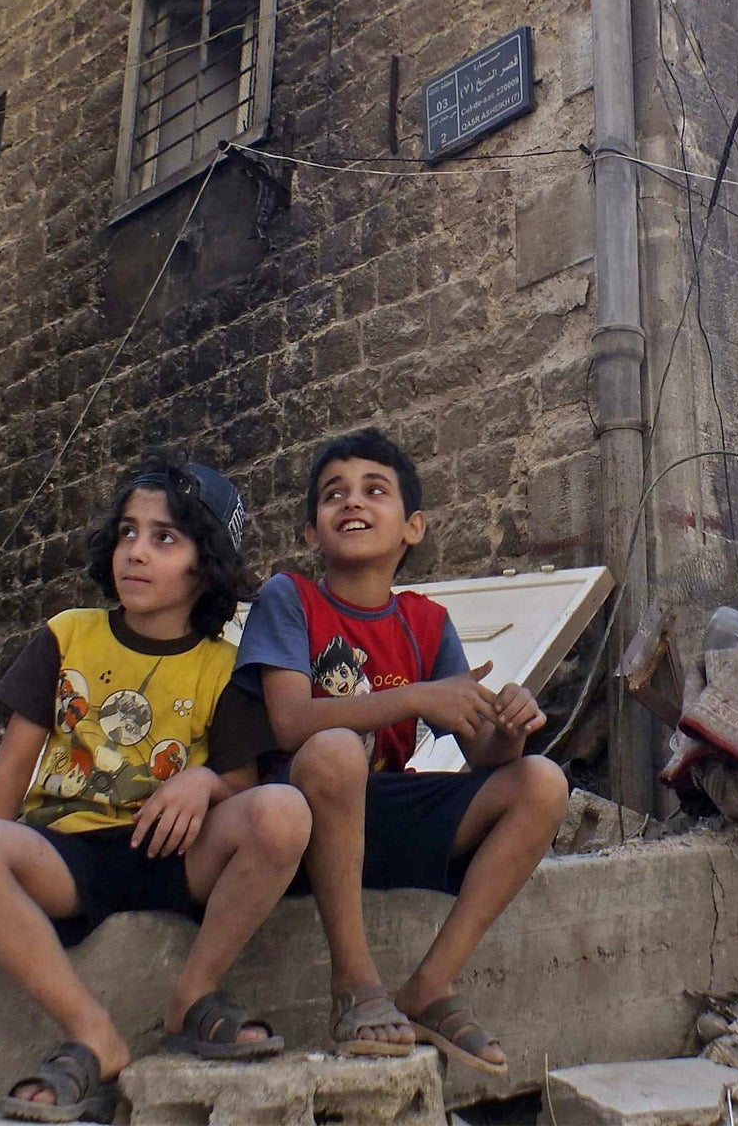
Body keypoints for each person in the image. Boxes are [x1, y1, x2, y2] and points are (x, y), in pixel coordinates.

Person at [0, 453, 309, 1123]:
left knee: (282, 811)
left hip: (174, 855)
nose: (136, 552)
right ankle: (93, 1037)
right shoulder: (68, 634)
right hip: (64, 855)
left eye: (165, 538)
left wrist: (202, 782)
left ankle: (193, 997)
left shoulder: (226, 666)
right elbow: (12, 767)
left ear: (206, 563)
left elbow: (242, 781)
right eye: (128, 532)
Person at [229, 428, 568, 1076]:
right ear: (310, 532)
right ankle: (356, 985)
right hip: (298, 825)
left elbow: (484, 759)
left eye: (373, 490)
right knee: (333, 751)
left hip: (386, 816)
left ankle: (430, 987)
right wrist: (415, 697)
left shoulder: (426, 623)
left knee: (542, 783)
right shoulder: (288, 599)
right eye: (334, 494)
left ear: (412, 526)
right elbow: (291, 721)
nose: (352, 502)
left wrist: (512, 725)